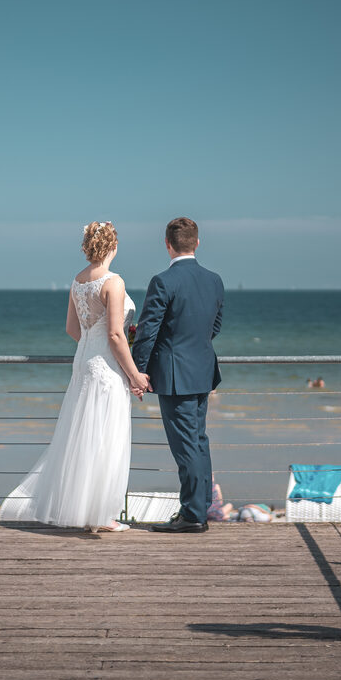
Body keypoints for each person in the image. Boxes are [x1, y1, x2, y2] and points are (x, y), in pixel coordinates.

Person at [2, 222, 149, 533]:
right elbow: (115, 334)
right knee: (105, 438)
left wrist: (91, 345)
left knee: (82, 435)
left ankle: (84, 511)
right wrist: (135, 375)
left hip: (83, 364)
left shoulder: (78, 281)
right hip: (106, 369)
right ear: (114, 247)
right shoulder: (114, 283)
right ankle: (101, 515)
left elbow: (72, 329)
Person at [132, 217, 225, 534]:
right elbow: (215, 327)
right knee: (199, 442)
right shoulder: (214, 280)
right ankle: (199, 508)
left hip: (175, 376)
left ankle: (193, 515)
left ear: (168, 245)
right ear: (197, 243)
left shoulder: (163, 281)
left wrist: (138, 370)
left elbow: (147, 332)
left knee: (187, 447)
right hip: (202, 370)